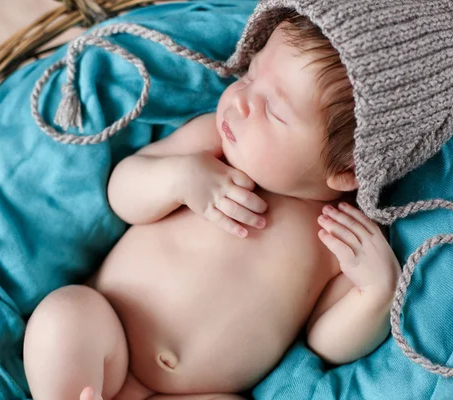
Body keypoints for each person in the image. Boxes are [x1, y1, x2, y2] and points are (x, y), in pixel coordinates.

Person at [23, 9, 401, 400]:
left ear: (346, 169)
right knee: (63, 315)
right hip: (106, 336)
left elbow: (325, 342)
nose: (240, 101)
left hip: (195, 392)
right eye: (250, 75)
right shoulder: (212, 146)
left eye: (272, 109)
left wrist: (375, 292)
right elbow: (122, 195)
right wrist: (178, 179)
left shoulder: (339, 234)